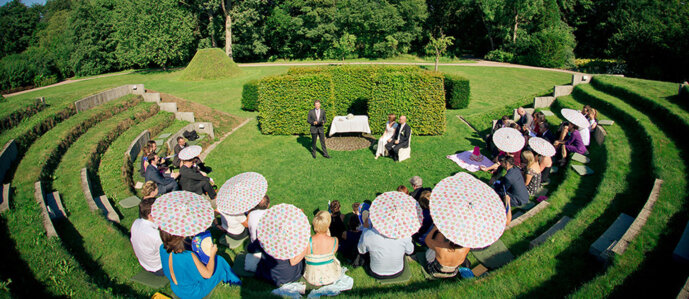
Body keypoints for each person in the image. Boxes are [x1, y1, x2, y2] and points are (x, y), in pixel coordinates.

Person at [159, 231, 240, 298]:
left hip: (176, 288)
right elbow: (208, 274)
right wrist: (212, 255)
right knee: (219, 260)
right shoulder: (188, 255)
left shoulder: (162, 248)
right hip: (193, 293)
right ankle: (234, 281)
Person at [303, 211, 343, 286]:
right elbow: (332, 254)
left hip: (312, 278)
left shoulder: (307, 241)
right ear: (328, 226)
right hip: (331, 276)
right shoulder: (334, 240)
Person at [130, 198, 163, 275]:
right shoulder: (156, 235)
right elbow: (171, 249)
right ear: (150, 215)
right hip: (158, 267)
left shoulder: (136, 222)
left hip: (144, 262)